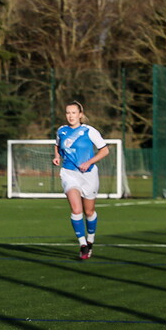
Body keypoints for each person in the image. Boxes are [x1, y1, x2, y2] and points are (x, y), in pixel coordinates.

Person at [52, 101, 109, 260]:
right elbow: (57, 145)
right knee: (76, 210)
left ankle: (90, 240)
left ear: (80, 114)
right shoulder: (61, 131)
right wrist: (57, 157)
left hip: (89, 174)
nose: (70, 116)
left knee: (89, 211)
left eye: (73, 113)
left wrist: (89, 162)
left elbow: (105, 151)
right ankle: (83, 244)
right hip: (69, 173)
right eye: (68, 112)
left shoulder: (89, 131)